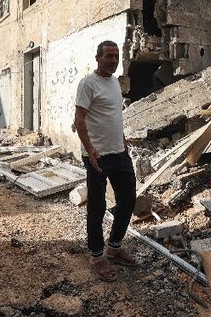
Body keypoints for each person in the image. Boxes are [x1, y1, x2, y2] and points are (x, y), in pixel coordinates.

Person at [73, 40, 137, 282]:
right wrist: (90, 151)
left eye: (116, 56)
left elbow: (114, 115)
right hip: (97, 156)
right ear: (98, 58)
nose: (113, 60)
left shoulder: (114, 83)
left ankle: (114, 246)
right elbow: (79, 121)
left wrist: (122, 140)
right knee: (97, 207)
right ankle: (97, 257)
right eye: (108, 56)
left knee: (128, 199)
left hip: (118, 152)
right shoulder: (87, 84)